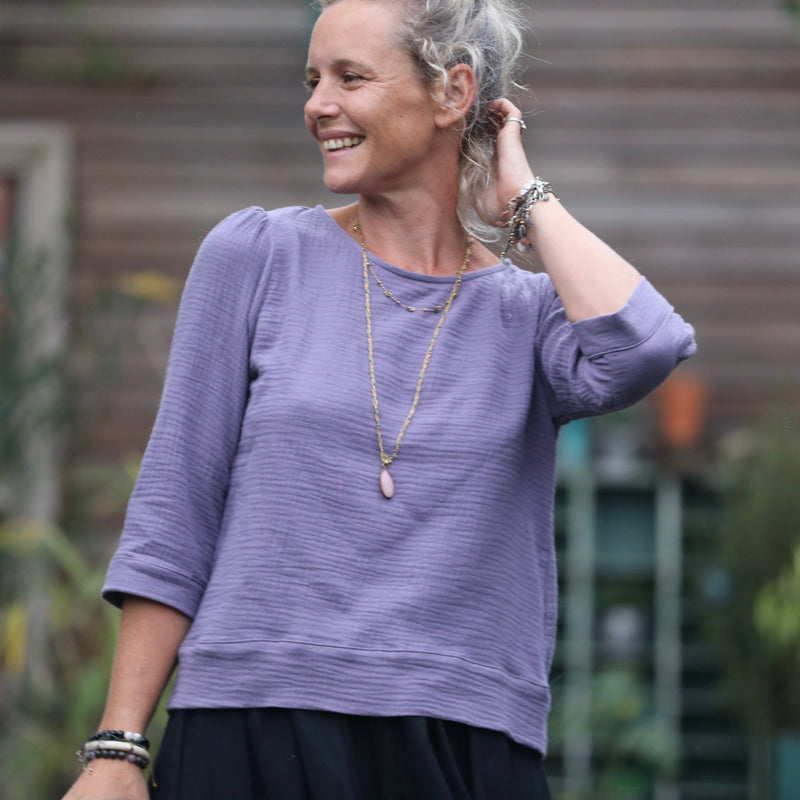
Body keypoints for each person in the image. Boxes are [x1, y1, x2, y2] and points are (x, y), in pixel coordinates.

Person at [62, 0, 695, 798]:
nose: (318, 105)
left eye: (351, 78)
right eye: (313, 80)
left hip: (462, 735)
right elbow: (175, 510)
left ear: (452, 92)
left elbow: (646, 346)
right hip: (253, 721)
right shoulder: (258, 256)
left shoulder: (528, 316)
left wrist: (527, 200)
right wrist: (117, 748)